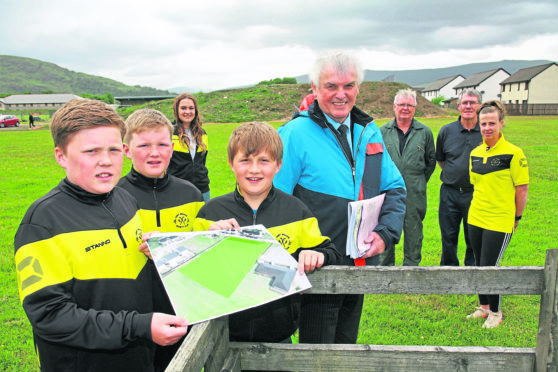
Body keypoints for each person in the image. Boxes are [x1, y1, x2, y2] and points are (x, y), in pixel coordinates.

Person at [14, 99, 188, 372]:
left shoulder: (125, 199)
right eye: (91, 151)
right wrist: (137, 326)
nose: (106, 161)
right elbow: (49, 315)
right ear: (61, 156)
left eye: (113, 150)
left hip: (139, 357)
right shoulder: (42, 223)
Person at [274, 51, 406, 344]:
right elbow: (274, 200)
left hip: (359, 263)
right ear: (314, 87)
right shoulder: (294, 134)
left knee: (346, 347)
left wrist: (385, 233)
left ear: (358, 87)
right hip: (317, 268)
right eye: (331, 86)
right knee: (317, 355)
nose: (340, 94)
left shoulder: (369, 132)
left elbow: (395, 187)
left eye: (348, 85)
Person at [194, 121, 340, 346]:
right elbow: (190, 266)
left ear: (278, 165)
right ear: (231, 164)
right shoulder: (210, 212)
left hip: (279, 338)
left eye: (264, 160)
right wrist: (207, 238)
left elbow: (327, 249)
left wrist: (318, 254)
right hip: (224, 336)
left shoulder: (296, 211)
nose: (254, 169)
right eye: (245, 160)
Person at [117, 108, 204, 371]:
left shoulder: (190, 193)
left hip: (181, 309)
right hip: (132, 315)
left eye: (162, 144)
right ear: (126, 149)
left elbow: (201, 248)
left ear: (172, 146)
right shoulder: (114, 195)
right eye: (143, 145)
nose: (154, 153)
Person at [466, 101, 529, 329]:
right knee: (479, 264)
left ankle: (496, 312)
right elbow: (477, 186)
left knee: (490, 266)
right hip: (476, 218)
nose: (487, 128)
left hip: (500, 220)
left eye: (492, 123)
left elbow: (522, 189)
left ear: (501, 124)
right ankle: (483, 308)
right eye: (483, 123)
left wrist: (517, 217)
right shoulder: (475, 153)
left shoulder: (514, 153)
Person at [379, 89, 436, 266]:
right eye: (401, 105)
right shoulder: (382, 132)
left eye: (409, 105)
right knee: (386, 226)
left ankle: (411, 267)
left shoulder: (424, 132)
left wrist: (417, 180)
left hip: (414, 190)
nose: (405, 108)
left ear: (415, 108)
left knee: (413, 229)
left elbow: (431, 161)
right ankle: (385, 267)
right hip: (387, 190)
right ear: (394, 107)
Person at [436, 89, 483, 267]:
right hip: (450, 192)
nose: (468, 106)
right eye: (465, 103)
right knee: (448, 234)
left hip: (475, 193)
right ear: (458, 106)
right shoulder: (446, 131)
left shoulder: (485, 131)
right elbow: (441, 159)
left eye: (472, 102)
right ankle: (448, 270)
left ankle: (471, 269)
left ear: (479, 105)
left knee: (473, 235)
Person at [167, 93, 210, 201]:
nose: (187, 111)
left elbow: (202, 162)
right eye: (183, 108)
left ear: (195, 111)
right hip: (177, 190)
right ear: (176, 110)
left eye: (191, 108)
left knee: (204, 218)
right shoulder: (169, 133)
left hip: (202, 190)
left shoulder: (202, 133)